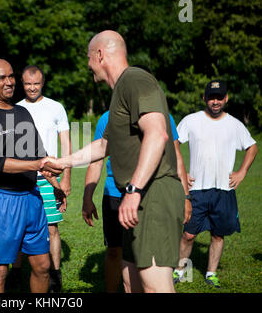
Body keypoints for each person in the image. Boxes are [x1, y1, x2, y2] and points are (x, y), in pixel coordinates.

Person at [42, 30, 186, 293]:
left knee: (155, 286)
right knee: (131, 281)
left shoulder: (135, 79)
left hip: (153, 195)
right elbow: (105, 144)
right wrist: (63, 162)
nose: (87, 65)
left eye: (88, 58)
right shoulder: (120, 91)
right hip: (137, 197)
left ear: (100, 55)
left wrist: (134, 189)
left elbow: (157, 133)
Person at [0, 58, 66, 293]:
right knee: (0, 271)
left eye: (11, 76)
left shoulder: (22, 112)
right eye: (2, 78)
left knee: (43, 266)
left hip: (32, 198)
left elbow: (39, 154)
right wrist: (35, 164)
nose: (9, 82)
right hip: (2, 200)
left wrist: (55, 185)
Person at [83, 110, 191, 292]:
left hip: (150, 196)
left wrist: (186, 197)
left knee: (151, 256)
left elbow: (177, 156)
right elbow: (96, 161)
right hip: (114, 195)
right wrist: (87, 197)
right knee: (114, 250)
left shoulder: (162, 115)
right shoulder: (106, 118)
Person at [173, 80, 257, 288]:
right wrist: (181, 172)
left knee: (218, 235)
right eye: (212, 97)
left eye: (219, 97)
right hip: (197, 190)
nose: (216, 101)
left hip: (223, 190)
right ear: (204, 98)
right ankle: (179, 270)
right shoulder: (191, 121)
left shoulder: (235, 124)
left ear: (226, 99)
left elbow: (252, 147)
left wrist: (242, 172)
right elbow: (173, 142)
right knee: (189, 234)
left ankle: (211, 273)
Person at [8, 65, 71, 292]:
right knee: (18, 228)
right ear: (21, 84)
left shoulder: (56, 107)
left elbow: (66, 143)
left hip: (49, 179)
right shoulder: (14, 109)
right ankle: (15, 273)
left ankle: (55, 276)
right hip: (21, 178)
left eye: (36, 83)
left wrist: (66, 178)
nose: (32, 88)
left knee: (52, 228)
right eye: (27, 83)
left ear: (42, 83)